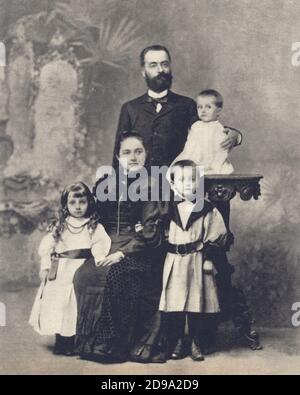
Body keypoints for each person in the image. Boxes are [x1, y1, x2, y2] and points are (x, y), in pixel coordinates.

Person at [73, 132, 161, 362]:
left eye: (138, 151)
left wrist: (122, 252)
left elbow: (151, 230)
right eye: (127, 152)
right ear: (118, 156)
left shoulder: (154, 185)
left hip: (139, 248)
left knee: (118, 274)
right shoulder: (105, 183)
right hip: (106, 243)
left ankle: (112, 345)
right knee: (85, 273)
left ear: (146, 154)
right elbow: (92, 218)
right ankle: (86, 343)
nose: (133, 157)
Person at [113, 45, 242, 169]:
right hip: (139, 184)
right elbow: (119, 152)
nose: (160, 70)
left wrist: (236, 136)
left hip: (177, 182)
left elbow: (207, 127)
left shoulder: (186, 104)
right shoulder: (130, 108)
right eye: (153, 65)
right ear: (143, 71)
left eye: (164, 64)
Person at [29, 182, 111, 356]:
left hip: (81, 270)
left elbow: (100, 246)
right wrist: (45, 267)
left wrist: (99, 260)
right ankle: (61, 340)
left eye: (82, 202)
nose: (78, 207)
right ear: (66, 205)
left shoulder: (93, 226)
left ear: (89, 202)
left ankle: (75, 340)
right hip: (61, 271)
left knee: (75, 304)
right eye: (73, 203)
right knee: (59, 304)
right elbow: (46, 250)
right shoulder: (60, 226)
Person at [158, 160, 227, 362]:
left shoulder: (206, 209)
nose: (187, 184)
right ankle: (179, 341)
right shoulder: (166, 209)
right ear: (172, 184)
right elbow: (158, 234)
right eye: (181, 179)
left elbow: (217, 235)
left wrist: (208, 259)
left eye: (192, 179)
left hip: (196, 259)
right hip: (173, 261)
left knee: (196, 303)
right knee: (176, 303)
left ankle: (195, 341)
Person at [177, 89, 235, 174]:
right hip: (196, 162)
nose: (203, 110)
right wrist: (187, 162)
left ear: (218, 111)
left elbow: (222, 151)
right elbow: (189, 147)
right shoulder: (196, 126)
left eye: (208, 107)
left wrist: (213, 167)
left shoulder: (218, 128)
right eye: (200, 107)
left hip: (214, 165)